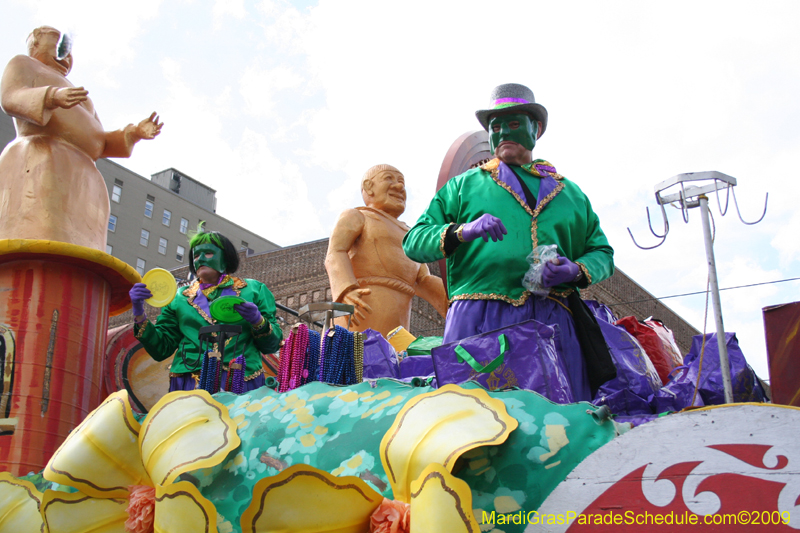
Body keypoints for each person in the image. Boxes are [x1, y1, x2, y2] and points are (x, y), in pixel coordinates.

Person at [402, 83, 615, 401]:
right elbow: (414, 241)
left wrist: (575, 270)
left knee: (561, 416)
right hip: (479, 321)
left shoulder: (571, 194)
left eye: (513, 123)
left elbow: (602, 253)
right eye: (495, 126)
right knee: (473, 414)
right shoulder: (463, 186)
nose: (502, 132)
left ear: (536, 129)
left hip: (555, 321)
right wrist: (462, 231)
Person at [0, 26, 162, 251]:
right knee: (45, 239)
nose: (65, 56)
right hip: (42, 159)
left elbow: (99, 140)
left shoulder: (80, 95)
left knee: (84, 250)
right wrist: (51, 96)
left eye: (68, 51)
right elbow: (10, 97)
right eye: (58, 47)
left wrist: (133, 133)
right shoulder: (24, 64)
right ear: (36, 44)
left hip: (86, 178)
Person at [129, 227, 282, 391]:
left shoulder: (254, 290)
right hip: (189, 384)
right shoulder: (178, 298)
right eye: (196, 255)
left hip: (240, 381)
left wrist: (258, 321)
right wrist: (139, 312)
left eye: (208, 253)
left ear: (225, 257)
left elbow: (271, 346)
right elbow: (161, 348)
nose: (200, 259)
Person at [325, 164, 448, 338]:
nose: (399, 187)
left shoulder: (410, 237)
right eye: (389, 178)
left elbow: (424, 280)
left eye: (401, 182)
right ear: (369, 187)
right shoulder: (357, 216)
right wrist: (345, 290)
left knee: (394, 354)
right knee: (355, 353)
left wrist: (460, 303)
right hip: (357, 316)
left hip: (397, 330)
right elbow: (335, 252)